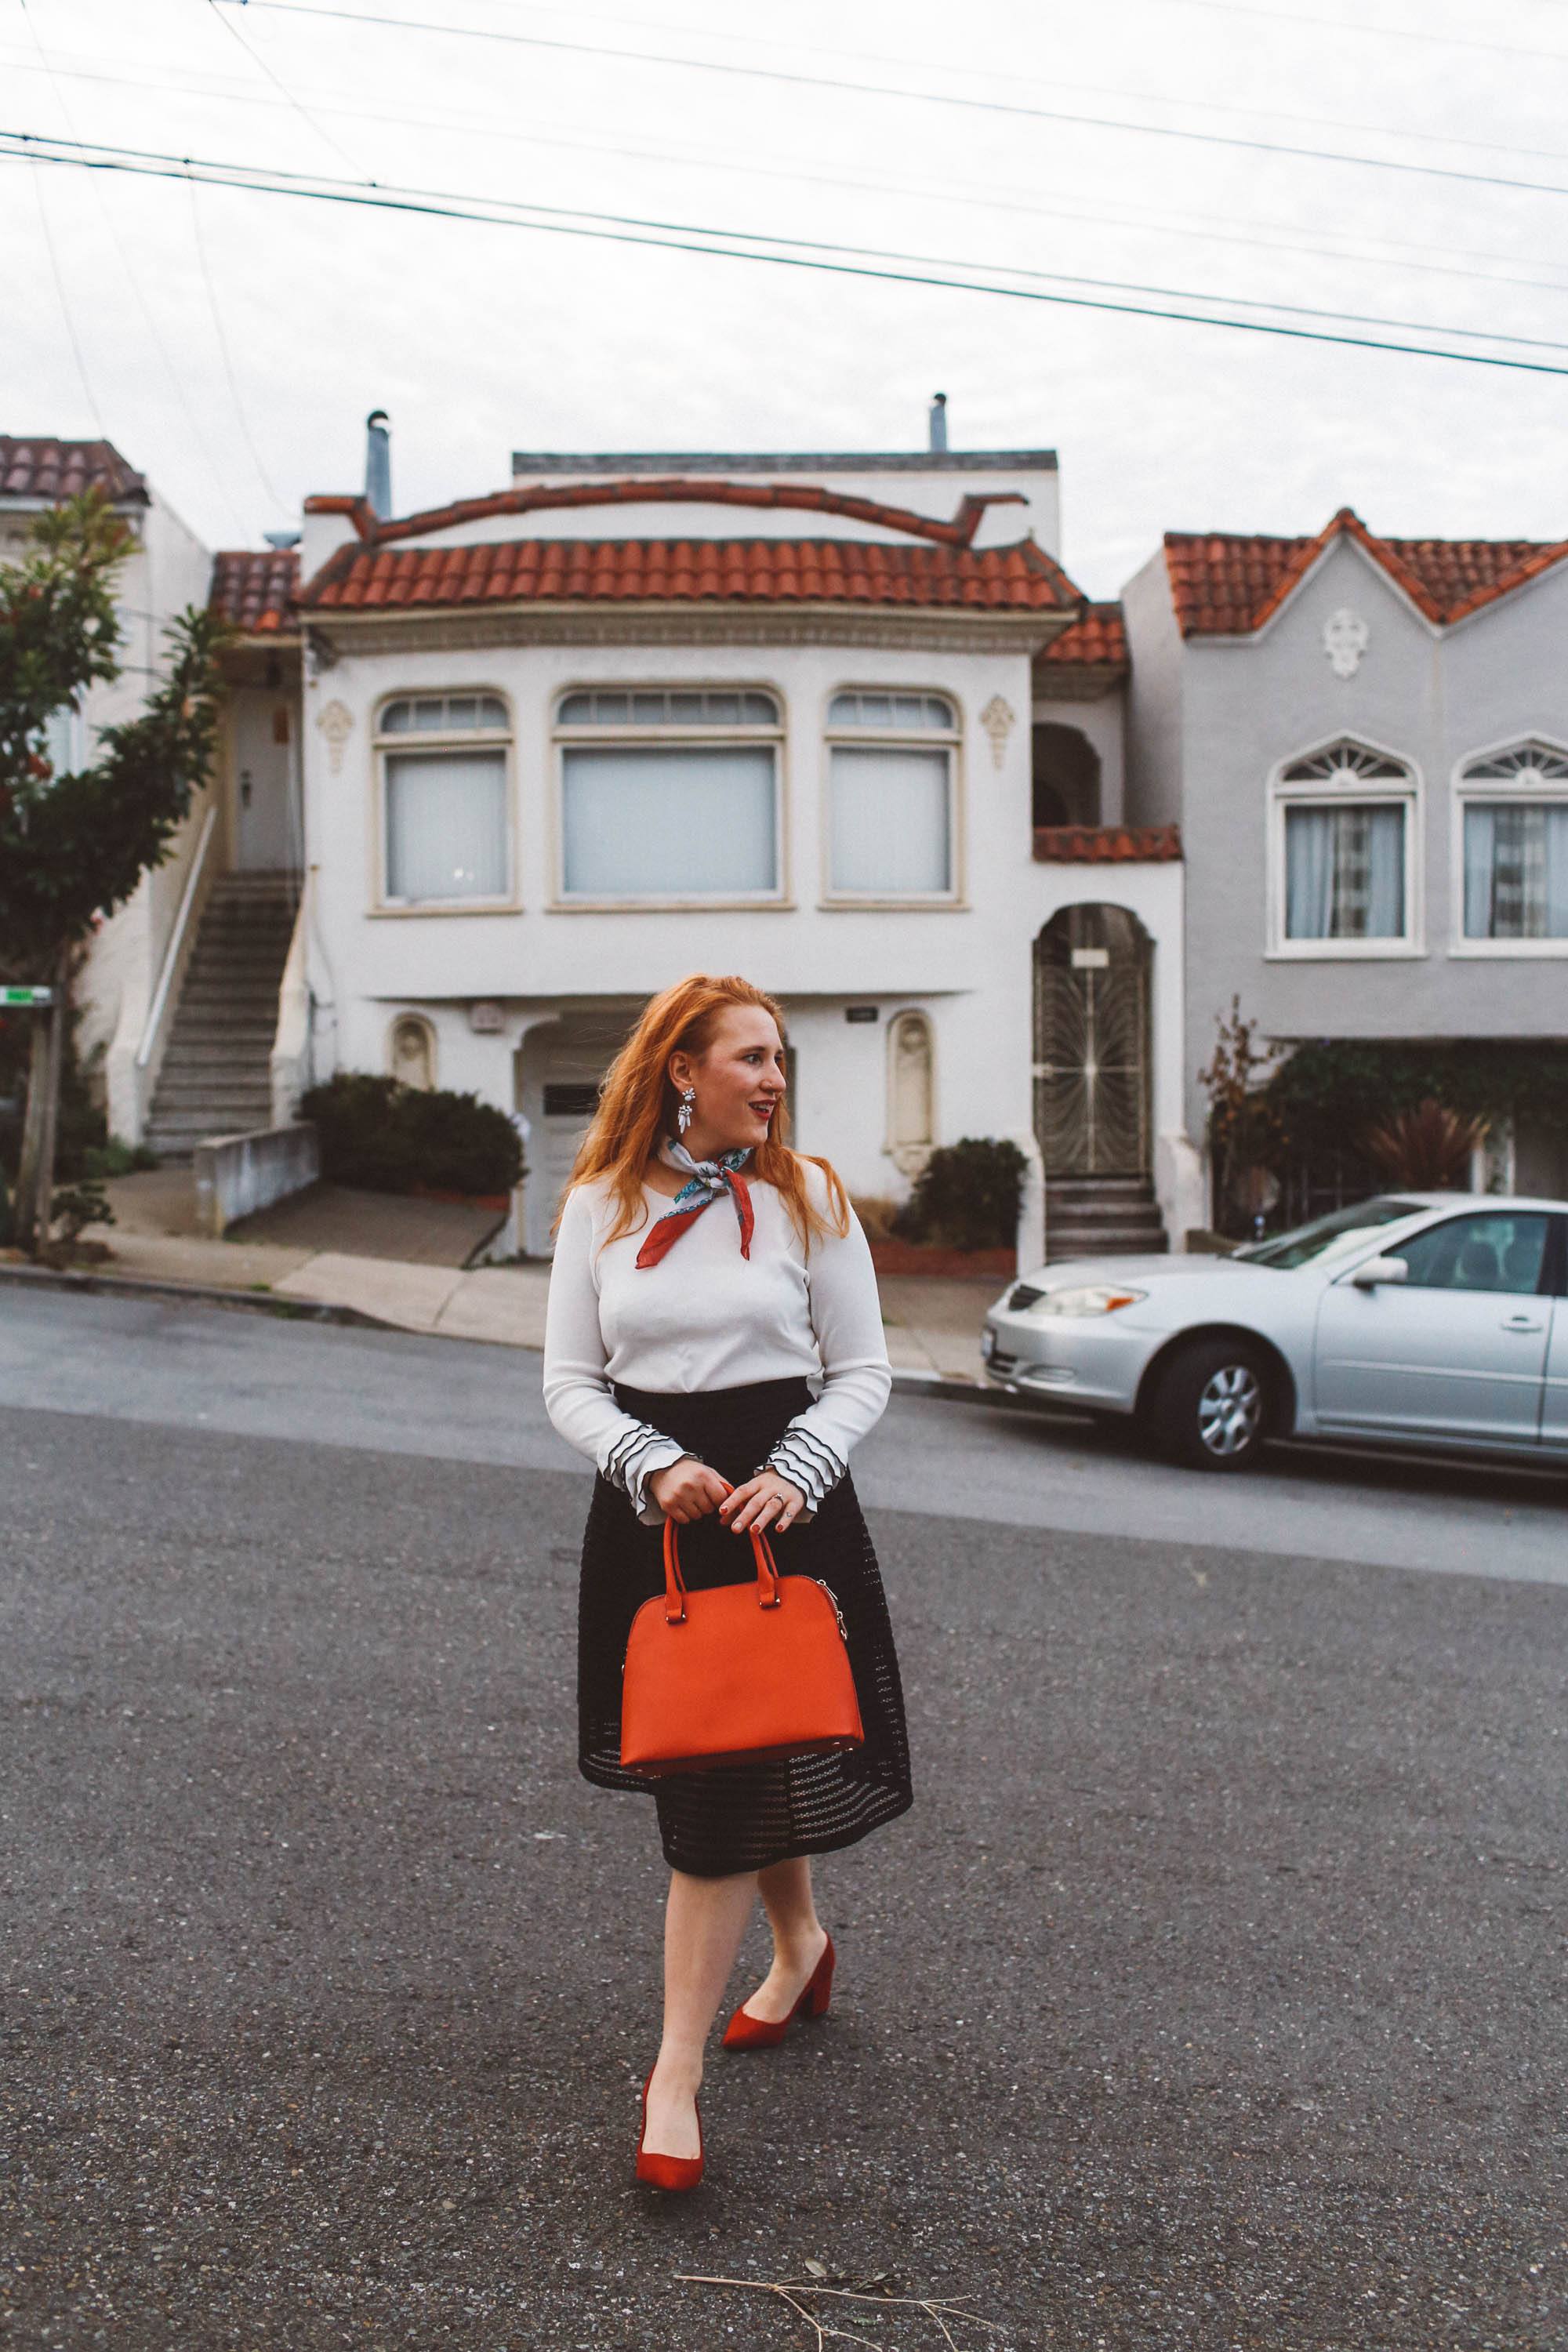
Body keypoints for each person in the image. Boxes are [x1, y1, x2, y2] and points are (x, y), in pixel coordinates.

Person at [543, 974, 913, 2190]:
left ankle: (674, 2075)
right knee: (721, 1773)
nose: (774, 1079)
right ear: (680, 1071)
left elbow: (862, 1370)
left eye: (782, 1058)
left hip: (786, 1508)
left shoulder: (807, 1197)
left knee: (747, 1764)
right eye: (751, 1057)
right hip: (660, 1524)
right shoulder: (597, 1203)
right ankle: (800, 1943)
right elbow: (569, 1384)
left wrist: (800, 1467)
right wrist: (648, 1464)